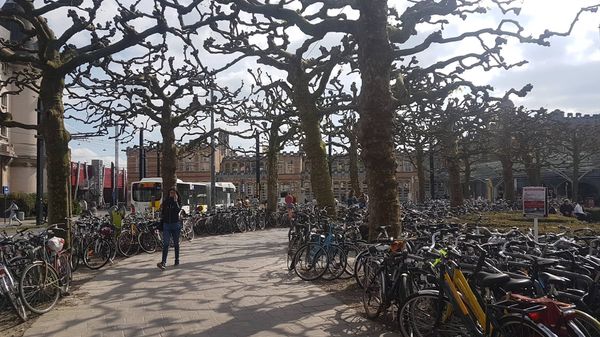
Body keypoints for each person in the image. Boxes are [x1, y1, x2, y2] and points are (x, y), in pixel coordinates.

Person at [157, 188, 182, 270]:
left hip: (175, 224)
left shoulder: (178, 202)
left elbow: (178, 210)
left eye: (174, 193)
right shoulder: (166, 201)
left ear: (176, 194)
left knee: (176, 243)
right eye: (170, 193)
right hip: (167, 225)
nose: (172, 194)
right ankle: (163, 262)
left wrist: (175, 201)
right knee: (166, 243)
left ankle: (177, 259)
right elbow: (163, 212)